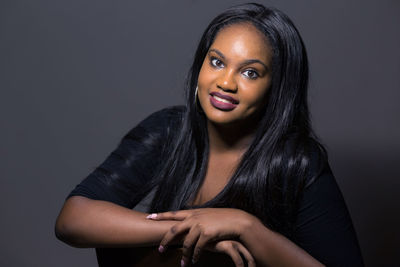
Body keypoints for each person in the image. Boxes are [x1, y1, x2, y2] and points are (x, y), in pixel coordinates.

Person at [55, 3, 364, 266]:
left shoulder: (296, 163)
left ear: (277, 89)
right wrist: (191, 230)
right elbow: (73, 219)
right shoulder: (168, 130)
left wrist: (246, 227)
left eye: (250, 72)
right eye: (217, 62)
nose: (225, 82)